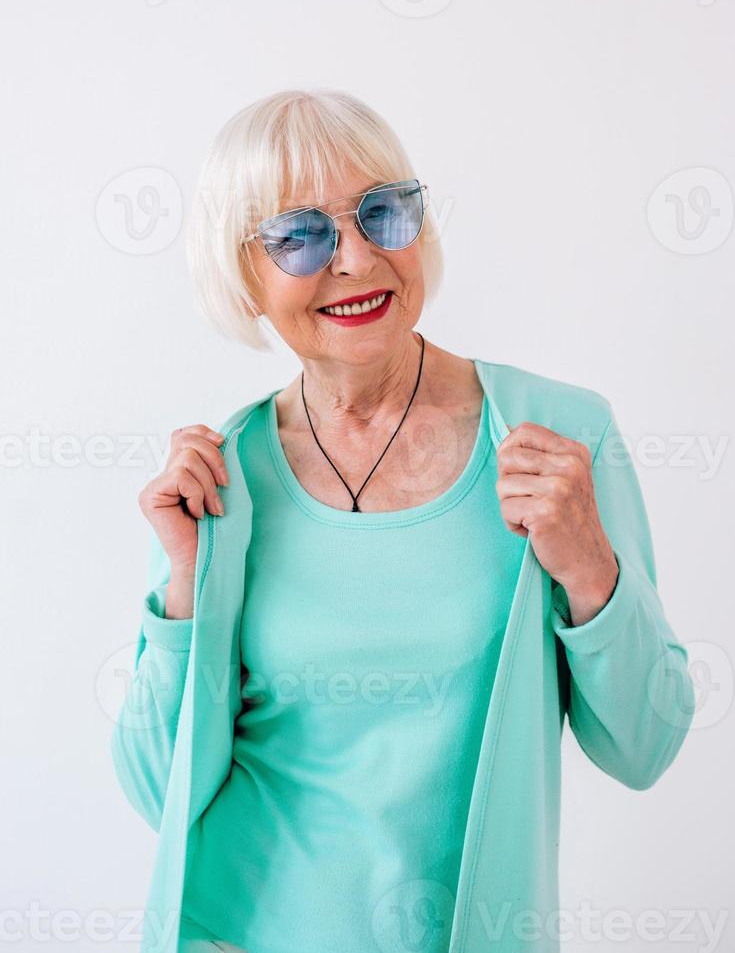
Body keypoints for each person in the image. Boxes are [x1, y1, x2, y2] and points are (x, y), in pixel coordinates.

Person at [110, 89, 694, 953]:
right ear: (242, 274)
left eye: (382, 213)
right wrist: (187, 584)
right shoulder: (225, 473)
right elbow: (159, 791)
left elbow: (643, 747)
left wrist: (589, 570)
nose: (355, 258)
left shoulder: (556, 438)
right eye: (300, 234)